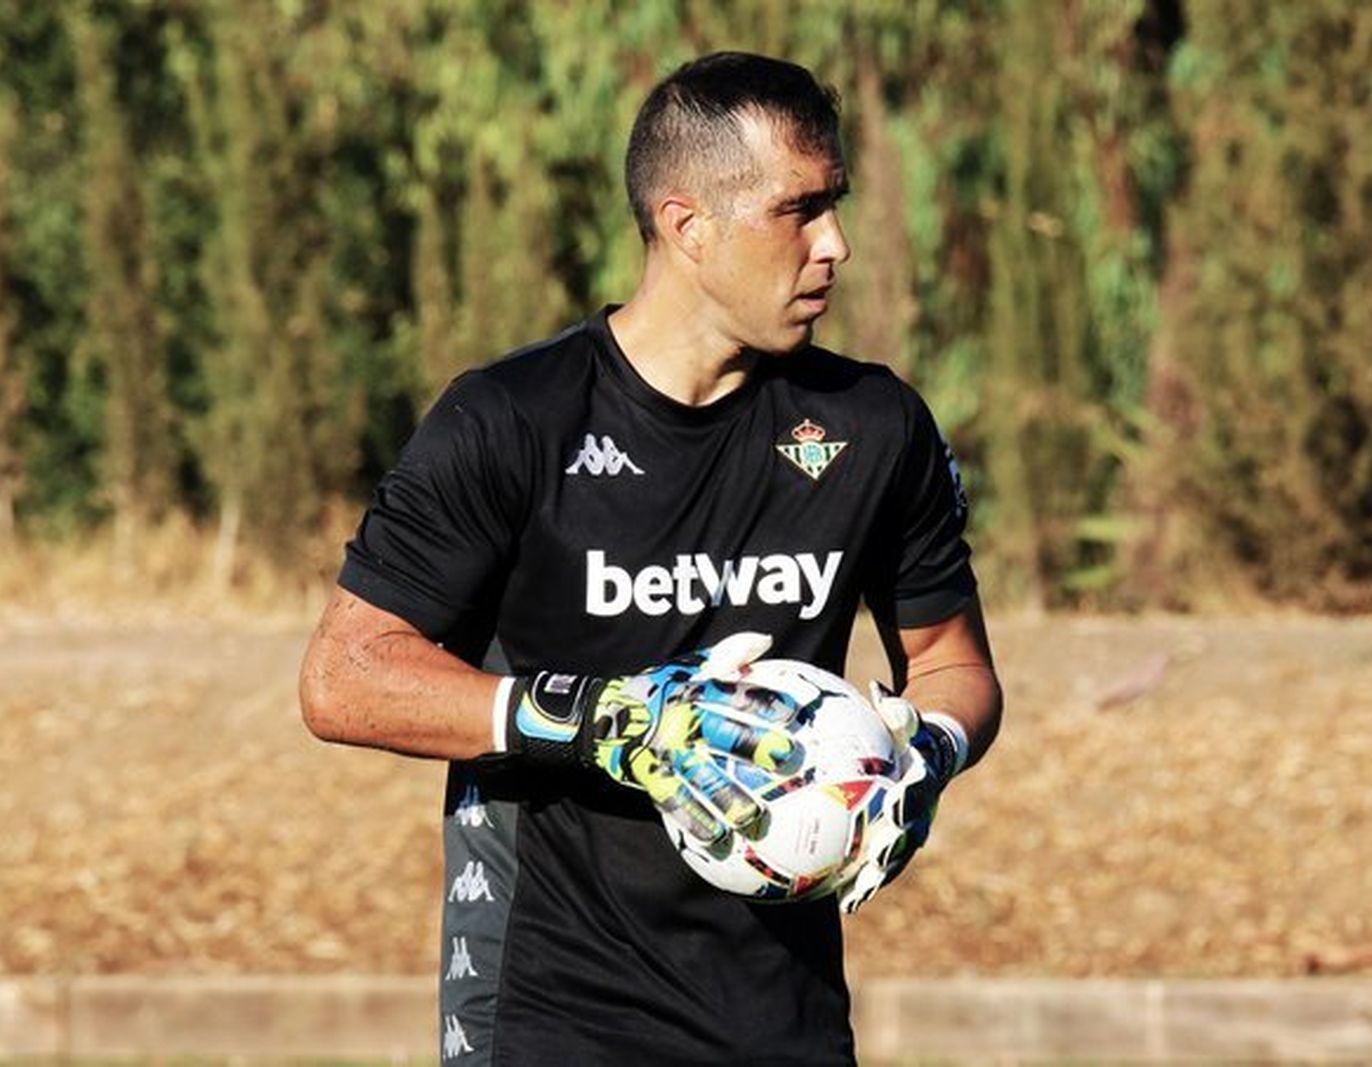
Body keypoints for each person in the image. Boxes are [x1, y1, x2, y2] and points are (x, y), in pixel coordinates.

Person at [299, 50, 1003, 1065]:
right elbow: (344, 677)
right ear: (687, 224)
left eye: (835, 204)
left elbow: (950, 662)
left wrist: (926, 752)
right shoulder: (511, 421)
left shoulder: (872, 426)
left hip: (785, 1016)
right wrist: (607, 722)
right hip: (549, 1009)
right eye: (798, 210)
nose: (835, 244)